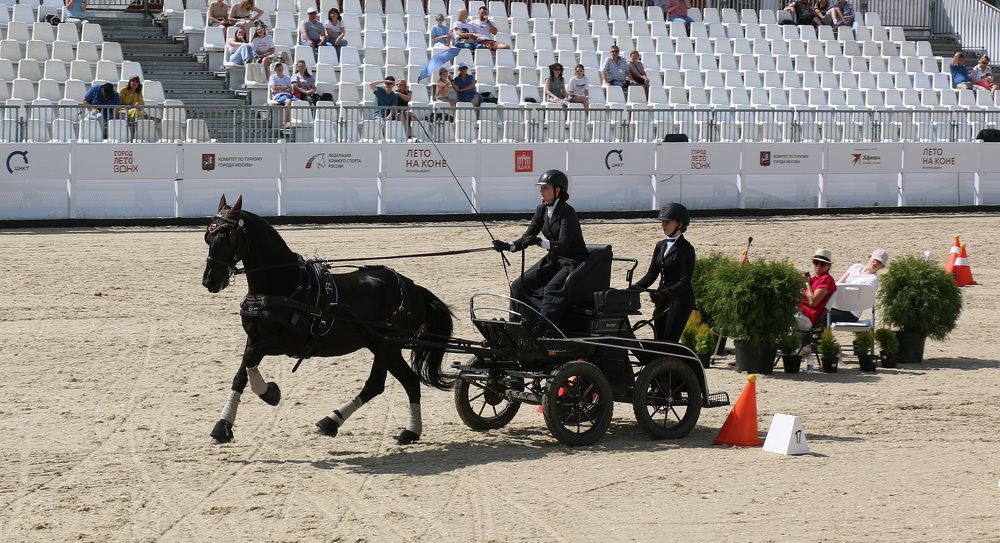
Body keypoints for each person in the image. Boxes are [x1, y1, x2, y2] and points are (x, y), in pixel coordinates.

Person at [492, 169, 588, 335]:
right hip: (555, 259)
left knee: (551, 290)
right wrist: (508, 246)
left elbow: (564, 244)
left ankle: (541, 332)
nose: (540, 191)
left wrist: (539, 242)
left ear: (558, 190)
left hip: (572, 262)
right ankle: (516, 329)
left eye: (545, 188)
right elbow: (528, 235)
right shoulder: (541, 210)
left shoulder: (568, 212)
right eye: (541, 188)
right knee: (518, 285)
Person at [631, 203, 696, 342]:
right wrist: (634, 288)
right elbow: (651, 274)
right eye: (662, 222)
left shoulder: (686, 249)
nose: (663, 225)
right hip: (662, 297)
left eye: (668, 222)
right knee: (658, 337)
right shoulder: (660, 245)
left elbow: (685, 281)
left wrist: (666, 293)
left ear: (679, 224)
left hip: (679, 300)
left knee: (669, 340)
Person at [828, 249, 888, 323]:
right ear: (870, 258)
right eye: (875, 259)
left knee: (820, 315)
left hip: (850, 313)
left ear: (882, 266)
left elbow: (858, 298)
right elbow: (839, 282)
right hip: (837, 305)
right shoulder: (856, 267)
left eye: (879, 262)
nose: (875, 263)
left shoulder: (873, 279)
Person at [797, 248, 837, 330]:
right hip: (800, 312)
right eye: (816, 263)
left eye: (822, 264)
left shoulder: (826, 279)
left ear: (828, 266)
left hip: (807, 317)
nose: (818, 266)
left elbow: (813, 302)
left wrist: (807, 284)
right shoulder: (814, 278)